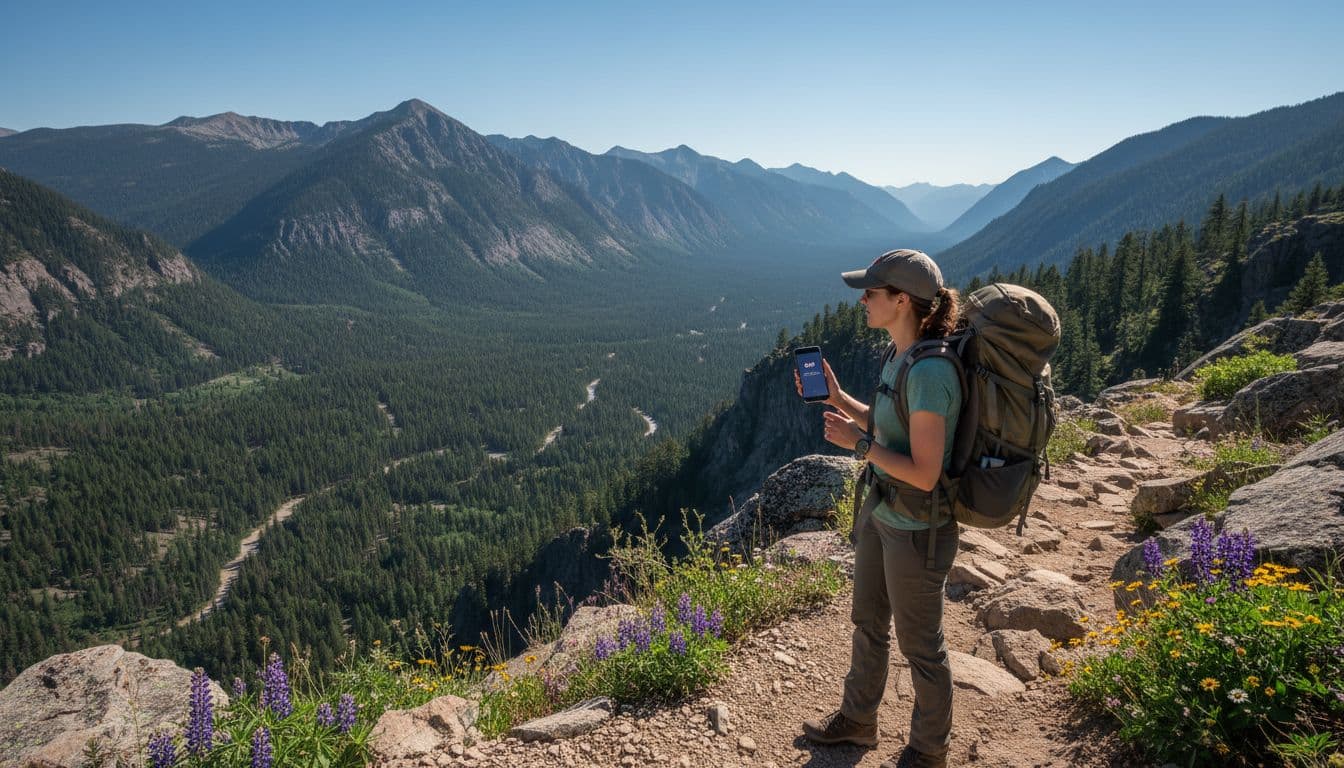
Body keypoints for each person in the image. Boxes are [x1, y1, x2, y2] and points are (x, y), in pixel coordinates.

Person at [794, 248, 962, 768]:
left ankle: (930, 750)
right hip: (883, 512)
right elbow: (889, 426)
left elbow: (926, 470)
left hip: (917, 527)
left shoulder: (932, 372)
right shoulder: (898, 354)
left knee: (921, 647)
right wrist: (841, 399)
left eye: (871, 292)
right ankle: (859, 720)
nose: (862, 300)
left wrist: (859, 447)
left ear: (902, 300)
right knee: (868, 621)